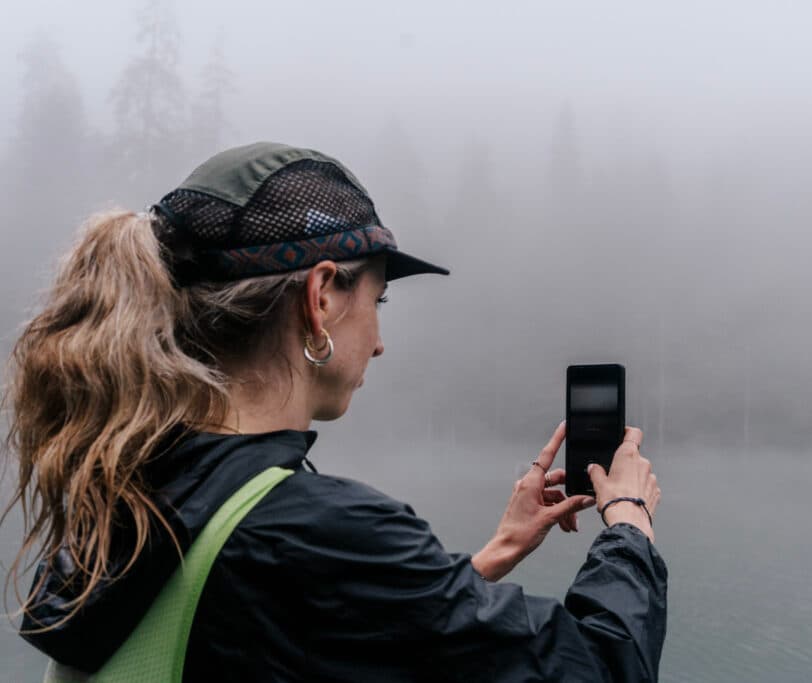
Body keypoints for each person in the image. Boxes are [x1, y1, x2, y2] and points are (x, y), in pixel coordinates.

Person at [3, 142, 667, 681]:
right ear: (320, 297)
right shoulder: (316, 531)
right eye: (377, 302)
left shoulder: (135, 484)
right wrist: (628, 525)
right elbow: (603, 668)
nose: (379, 341)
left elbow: (301, 620)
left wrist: (494, 554)